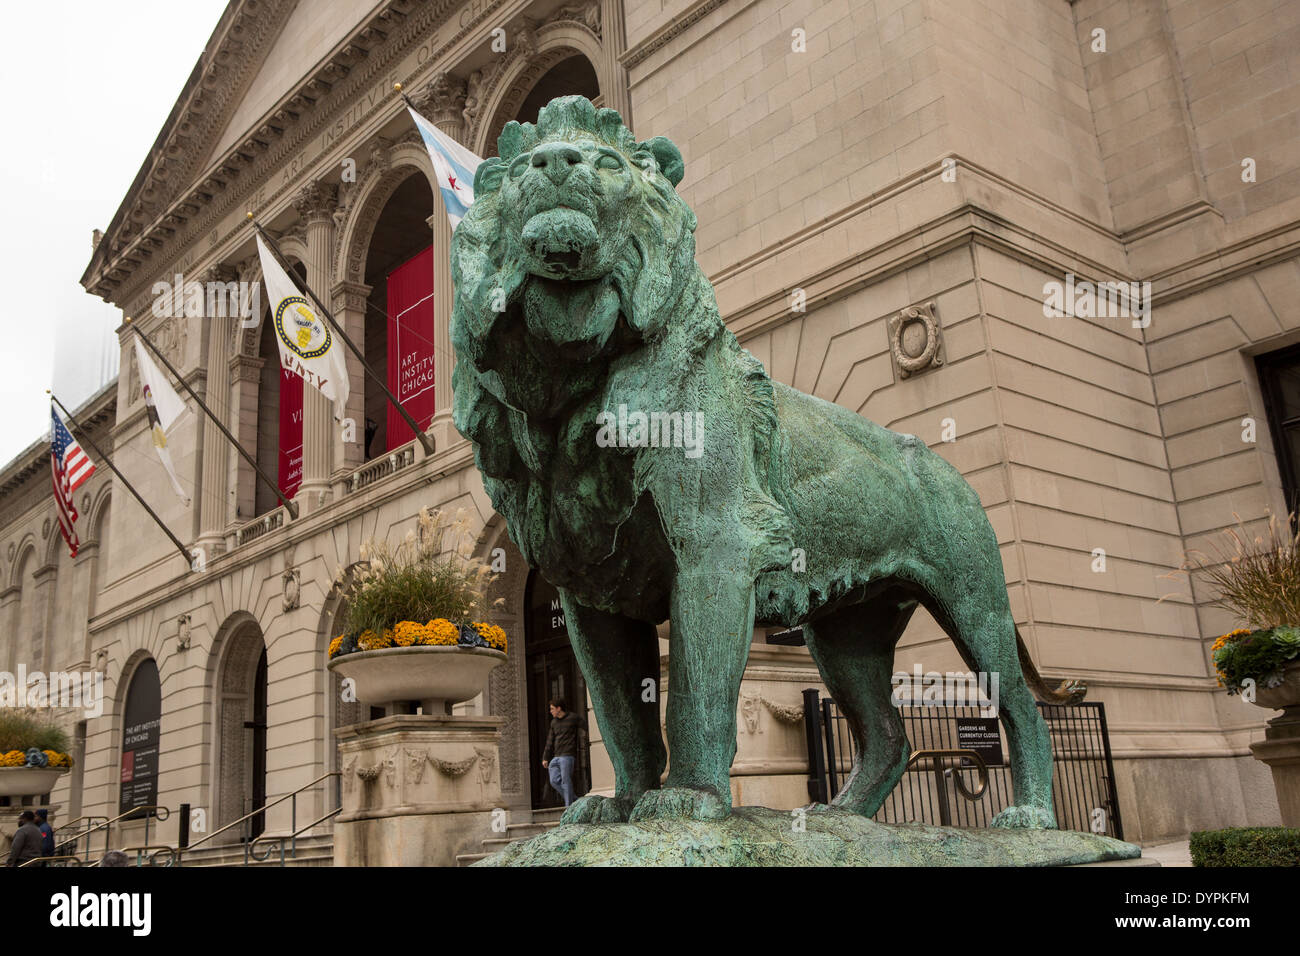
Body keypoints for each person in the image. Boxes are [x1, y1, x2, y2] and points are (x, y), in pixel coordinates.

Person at [541, 697, 583, 807]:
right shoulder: (554, 722)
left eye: (552, 709)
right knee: (554, 781)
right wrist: (545, 757)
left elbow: (585, 728)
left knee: (565, 781)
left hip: (568, 755)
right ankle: (575, 800)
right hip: (556, 756)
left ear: (559, 708)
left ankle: (568, 807)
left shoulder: (573, 718)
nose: (550, 711)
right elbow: (550, 741)